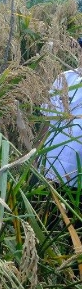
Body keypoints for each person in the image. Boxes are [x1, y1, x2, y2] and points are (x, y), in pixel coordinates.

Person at [39, 36, 82, 237]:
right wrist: (37, 155)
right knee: (47, 225)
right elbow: (48, 118)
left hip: (77, 174)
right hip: (52, 168)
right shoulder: (66, 78)